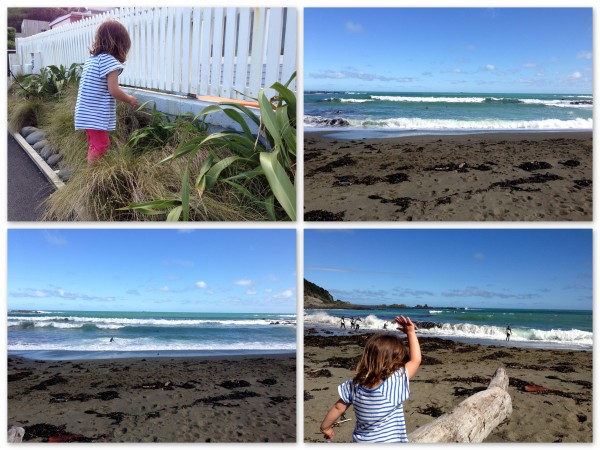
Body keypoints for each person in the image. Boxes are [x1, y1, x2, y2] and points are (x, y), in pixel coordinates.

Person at [320, 316, 422, 443]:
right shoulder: (395, 381)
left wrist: (326, 427)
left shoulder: (353, 385)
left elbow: (338, 408)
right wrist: (411, 333)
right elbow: (416, 360)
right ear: (396, 361)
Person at [74, 19, 138, 163]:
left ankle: (92, 171)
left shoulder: (93, 59)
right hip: (94, 114)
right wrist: (129, 99)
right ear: (120, 43)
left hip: (85, 112)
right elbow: (113, 90)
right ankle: (93, 175)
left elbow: (106, 86)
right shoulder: (110, 62)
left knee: (95, 144)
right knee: (102, 145)